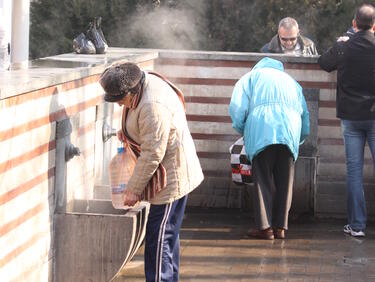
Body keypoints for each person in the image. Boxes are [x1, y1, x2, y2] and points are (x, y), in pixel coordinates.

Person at [99, 62, 204, 281]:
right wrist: (128, 132)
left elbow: (153, 153)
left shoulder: (152, 105)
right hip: (168, 167)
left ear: (131, 91)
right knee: (166, 236)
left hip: (172, 176)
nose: (119, 106)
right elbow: (144, 125)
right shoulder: (140, 80)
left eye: (120, 100)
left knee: (159, 239)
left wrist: (133, 190)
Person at [229, 57, 310, 240]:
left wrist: (243, 128)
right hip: (290, 131)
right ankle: (281, 227)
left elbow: (237, 107)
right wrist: (300, 138)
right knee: (285, 181)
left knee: (262, 179)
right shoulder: (292, 82)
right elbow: (305, 114)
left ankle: (265, 228)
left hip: (261, 129)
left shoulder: (250, 78)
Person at [318, 4, 375, 238]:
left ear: (354, 23)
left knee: (354, 172)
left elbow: (324, 63)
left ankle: (357, 226)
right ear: (373, 25)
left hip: (351, 117)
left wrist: (340, 42)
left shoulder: (344, 46)